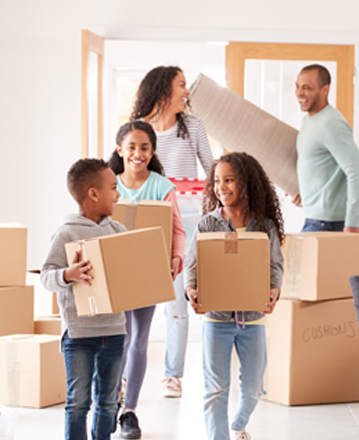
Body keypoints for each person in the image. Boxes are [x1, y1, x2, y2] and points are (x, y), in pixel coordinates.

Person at [185, 152, 284, 440]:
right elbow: (193, 264)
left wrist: (274, 291)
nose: (221, 187)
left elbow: (275, 264)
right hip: (216, 320)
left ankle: (239, 423)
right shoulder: (207, 224)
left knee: (253, 388)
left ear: (247, 183)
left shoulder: (263, 225)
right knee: (215, 388)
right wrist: (191, 290)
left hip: (252, 320)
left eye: (229, 180)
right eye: (217, 181)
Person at [131, 65, 214, 398]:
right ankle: (126, 373)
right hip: (148, 221)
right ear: (164, 89)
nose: (187, 91)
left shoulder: (192, 127)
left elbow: (212, 171)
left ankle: (172, 375)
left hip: (188, 223)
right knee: (134, 298)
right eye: (181, 85)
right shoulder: (139, 133)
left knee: (177, 301)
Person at [109, 121, 186, 439]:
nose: (138, 154)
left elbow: (178, 229)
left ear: (152, 151)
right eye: (131, 147)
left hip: (148, 270)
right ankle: (110, 402)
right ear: (120, 150)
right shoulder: (108, 183)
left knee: (139, 338)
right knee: (118, 340)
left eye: (144, 148)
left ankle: (130, 412)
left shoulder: (162, 186)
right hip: (114, 271)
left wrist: (175, 259)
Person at [40, 158, 126, 440]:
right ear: (93, 193)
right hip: (79, 335)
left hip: (114, 331)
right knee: (78, 402)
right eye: (113, 187)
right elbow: (46, 277)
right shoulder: (66, 233)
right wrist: (69, 273)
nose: (118, 194)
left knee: (108, 401)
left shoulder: (118, 232)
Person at [292, 64, 359, 233]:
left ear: (325, 89)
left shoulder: (331, 123)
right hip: (316, 219)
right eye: (297, 86)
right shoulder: (310, 121)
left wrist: (352, 224)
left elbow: (358, 173)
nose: (299, 93)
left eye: (306, 88)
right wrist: (307, 193)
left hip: (328, 224)